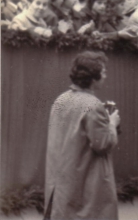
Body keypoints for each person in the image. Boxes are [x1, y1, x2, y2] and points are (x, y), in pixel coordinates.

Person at [45, 51, 119, 220]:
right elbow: (103, 144)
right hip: (85, 180)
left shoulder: (61, 100)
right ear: (93, 77)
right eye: (104, 71)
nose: (106, 75)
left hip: (62, 180)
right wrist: (112, 124)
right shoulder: (93, 105)